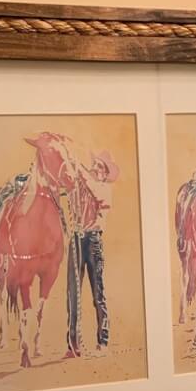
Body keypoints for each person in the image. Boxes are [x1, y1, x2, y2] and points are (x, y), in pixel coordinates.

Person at [62, 149, 120, 357]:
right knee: (73, 293)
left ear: (105, 173)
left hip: (93, 241)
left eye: (99, 166)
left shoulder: (103, 188)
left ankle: (103, 342)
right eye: (94, 164)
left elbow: (93, 189)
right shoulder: (83, 186)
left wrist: (78, 167)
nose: (95, 168)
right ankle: (73, 345)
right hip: (77, 239)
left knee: (98, 294)